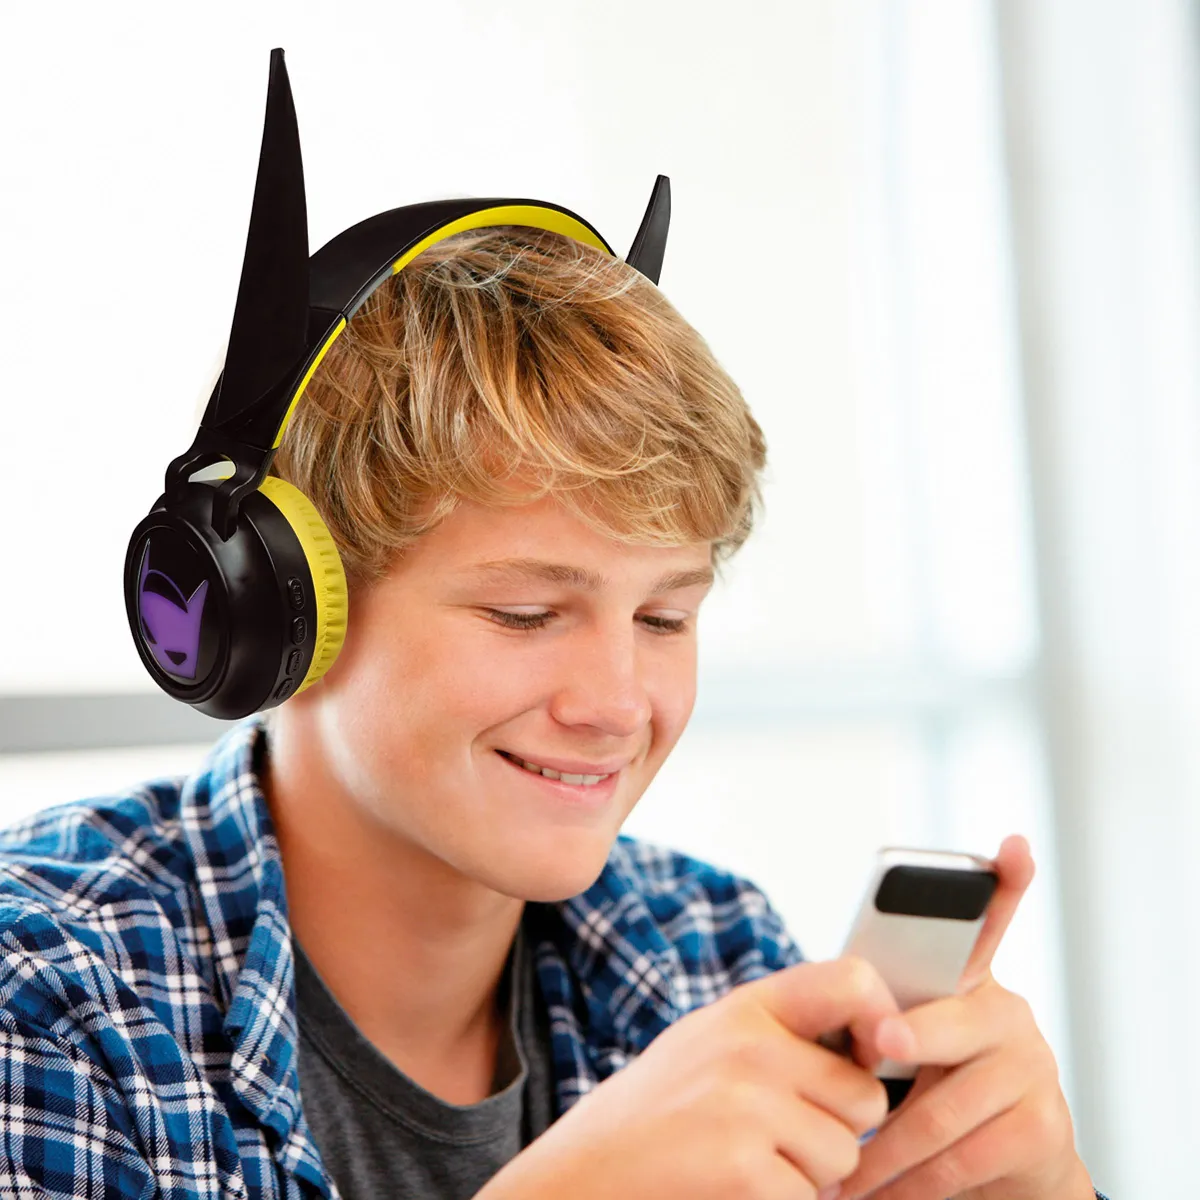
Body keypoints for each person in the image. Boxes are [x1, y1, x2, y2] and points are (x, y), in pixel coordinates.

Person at [0, 226, 1106, 1199]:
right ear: (284, 615)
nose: (618, 705)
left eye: (665, 618)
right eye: (526, 614)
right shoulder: (47, 996)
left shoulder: (705, 949)